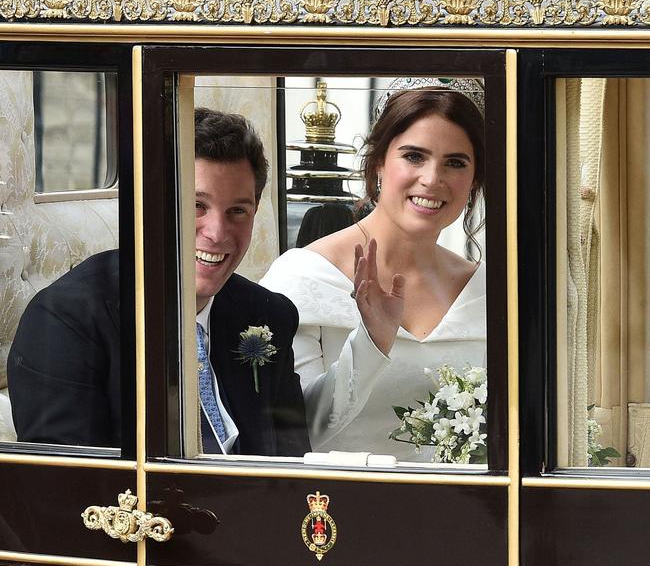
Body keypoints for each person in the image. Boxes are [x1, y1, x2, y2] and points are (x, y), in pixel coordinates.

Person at [8, 108, 310, 457]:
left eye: (237, 211)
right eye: (196, 205)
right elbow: (71, 494)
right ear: (149, 205)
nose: (217, 232)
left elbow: (296, 469)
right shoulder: (64, 322)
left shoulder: (268, 314)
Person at [261, 81, 486, 461]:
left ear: (475, 178)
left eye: (455, 162)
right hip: (331, 511)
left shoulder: (486, 290)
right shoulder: (303, 278)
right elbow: (291, 434)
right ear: (379, 161)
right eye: (414, 157)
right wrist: (371, 341)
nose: (432, 179)